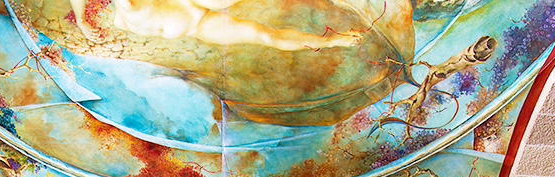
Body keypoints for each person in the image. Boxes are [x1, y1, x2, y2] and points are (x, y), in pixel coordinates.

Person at [69, 0, 365, 50]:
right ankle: (330, 41)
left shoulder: (127, 8)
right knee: (261, 35)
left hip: (191, 6)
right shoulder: (123, 10)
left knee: (262, 33)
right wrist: (82, 20)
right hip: (198, 26)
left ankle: (330, 40)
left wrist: (83, 20)